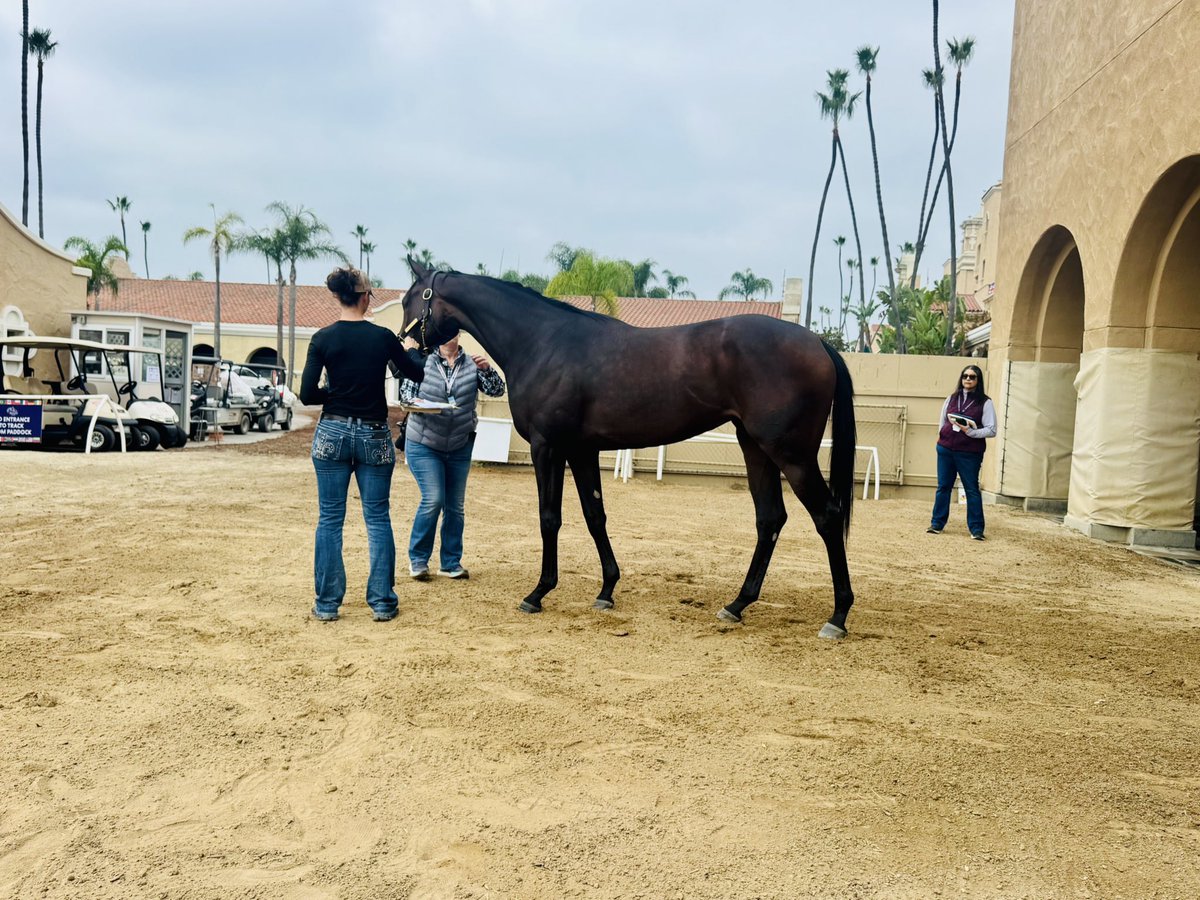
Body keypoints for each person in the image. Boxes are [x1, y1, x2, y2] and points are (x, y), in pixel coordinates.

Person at [300, 266, 425, 622]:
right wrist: (412, 350)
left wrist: (334, 392)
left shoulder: (322, 338)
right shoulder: (383, 337)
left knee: (329, 520)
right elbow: (414, 373)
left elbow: (307, 394)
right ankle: (382, 602)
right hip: (373, 434)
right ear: (366, 297)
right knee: (377, 518)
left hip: (332, 432)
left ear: (339, 296)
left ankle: (327, 605)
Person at [400, 334, 505, 580]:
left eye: (454, 330)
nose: (450, 335)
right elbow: (407, 396)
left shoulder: (471, 364)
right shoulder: (423, 362)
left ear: (459, 334)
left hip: (459, 444)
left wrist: (487, 370)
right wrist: (426, 404)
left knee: (455, 507)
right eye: (444, 332)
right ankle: (418, 559)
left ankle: (450, 562)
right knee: (433, 499)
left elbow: (498, 390)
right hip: (424, 442)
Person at [928, 364, 997, 540]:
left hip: (969, 453)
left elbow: (992, 429)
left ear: (978, 380)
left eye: (972, 377)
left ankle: (976, 529)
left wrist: (973, 433)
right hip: (946, 450)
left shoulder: (985, 402)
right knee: (943, 487)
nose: (968, 379)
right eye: (965, 376)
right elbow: (942, 420)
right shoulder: (952, 398)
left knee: (971, 489)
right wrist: (941, 438)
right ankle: (937, 524)